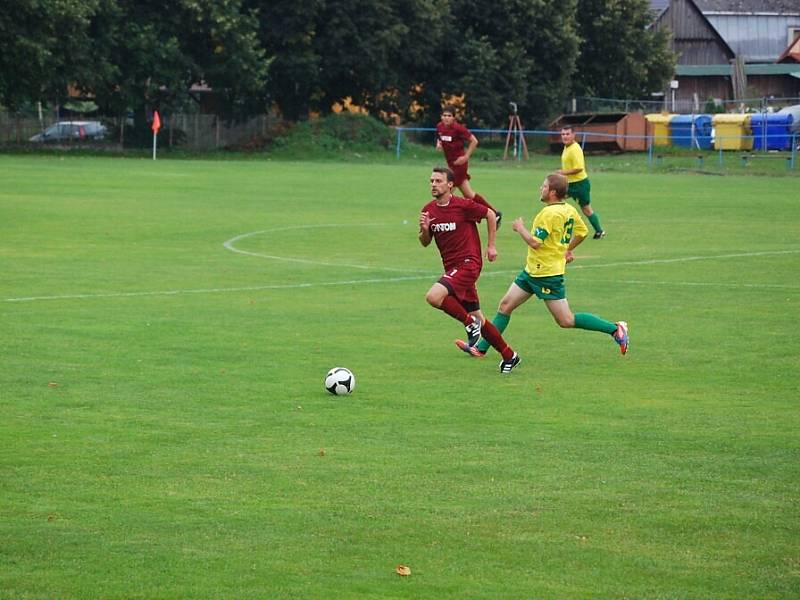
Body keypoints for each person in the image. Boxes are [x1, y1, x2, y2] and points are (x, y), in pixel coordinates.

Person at [455, 172, 628, 358]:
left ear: (552, 192)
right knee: (505, 306)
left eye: (544, 186)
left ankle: (615, 329)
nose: (541, 188)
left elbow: (536, 242)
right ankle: (480, 349)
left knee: (566, 320)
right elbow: (582, 232)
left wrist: (520, 228)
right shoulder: (568, 209)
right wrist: (566, 250)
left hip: (546, 275)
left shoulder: (548, 213)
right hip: (532, 271)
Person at [420, 167, 520, 374]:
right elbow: (424, 242)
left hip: (469, 263)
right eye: (431, 181)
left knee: (433, 296)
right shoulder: (429, 210)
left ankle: (468, 324)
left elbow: (491, 214)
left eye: (438, 181)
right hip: (453, 269)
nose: (433, 184)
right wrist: (425, 229)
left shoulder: (463, 205)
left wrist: (491, 246)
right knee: (479, 318)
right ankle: (509, 355)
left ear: (450, 185)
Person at [436, 105, 503, 227]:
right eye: (444, 115)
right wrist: (439, 144)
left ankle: (442, 218)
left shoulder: (458, 129)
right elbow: (440, 137)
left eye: (449, 116)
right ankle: (494, 213)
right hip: (451, 164)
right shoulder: (440, 127)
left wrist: (466, 157)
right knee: (469, 195)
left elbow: (474, 141)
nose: (446, 118)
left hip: (459, 165)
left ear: (454, 118)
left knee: (446, 191)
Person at [558, 125, 605, 239]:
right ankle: (560, 227)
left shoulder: (575, 149)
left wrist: (562, 172)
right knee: (556, 199)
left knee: (587, 210)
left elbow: (579, 168)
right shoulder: (567, 147)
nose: (565, 136)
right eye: (563, 134)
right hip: (571, 183)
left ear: (573, 135)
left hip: (580, 184)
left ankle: (599, 231)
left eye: (567, 134)